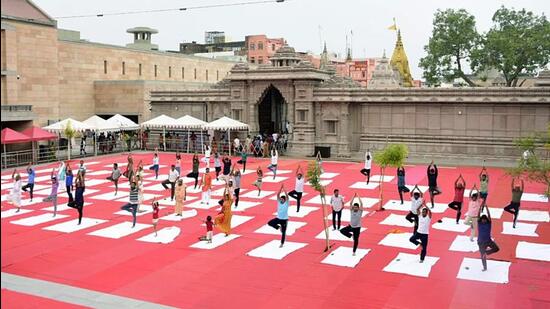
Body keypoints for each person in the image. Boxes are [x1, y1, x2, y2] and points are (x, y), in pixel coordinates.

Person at [477, 204, 500, 271]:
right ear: (481, 220)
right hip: (481, 242)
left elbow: (489, 216)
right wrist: (480, 207)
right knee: (483, 256)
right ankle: (485, 267)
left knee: (496, 248)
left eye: (485, 219)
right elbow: (478, 215)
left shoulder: (488, 224)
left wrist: (487, 208)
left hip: (488, 241)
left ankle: (487, 252)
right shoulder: (479, 223)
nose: (483, 220)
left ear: (486, 220)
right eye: (482, 219)